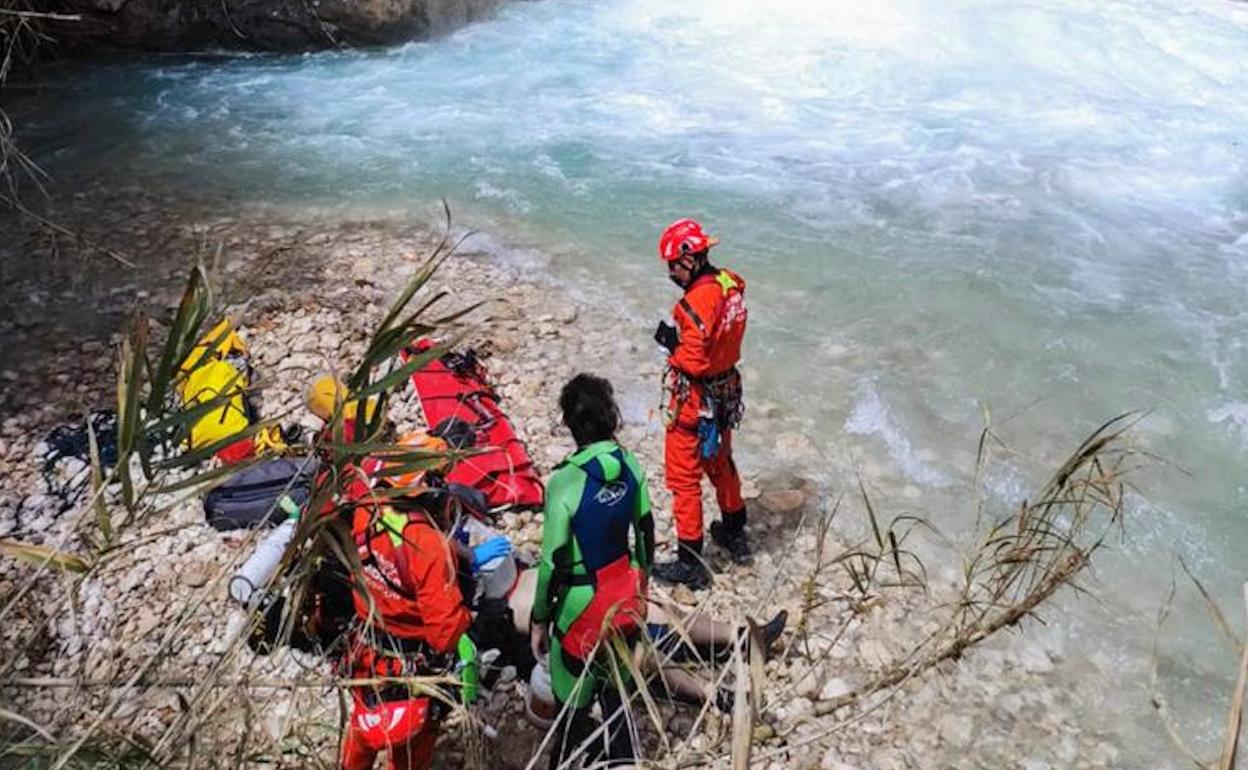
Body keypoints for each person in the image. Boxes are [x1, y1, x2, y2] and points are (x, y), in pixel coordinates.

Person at [529, 374, 655, 769]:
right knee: (616, 698)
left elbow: (552, 562)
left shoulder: (564, 481)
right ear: (611, 417)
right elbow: (646, 534)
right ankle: (622, 761)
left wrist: (539, 619)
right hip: (625, 599)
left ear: (569, 422)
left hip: (580, 609)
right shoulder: (631, 465)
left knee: (570, 713)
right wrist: (643, 589)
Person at [338, 431, 476, 770]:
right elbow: (444, 634)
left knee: (362, 727)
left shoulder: (367, 509)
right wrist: (469, 613)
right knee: (411, 744)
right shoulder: (428, 546)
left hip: (365, 650)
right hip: (409, 664)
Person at [651, 218, 750, 590]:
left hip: (696, 399)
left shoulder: (693, 303)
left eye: (672, 265)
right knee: (721, 462)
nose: (671, 273)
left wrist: (671, 344)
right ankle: (735, 532)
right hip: (726, 392)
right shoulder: (730, 283)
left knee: (683, 478)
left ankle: (690, 563)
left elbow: (692, 361)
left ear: (688, 259)